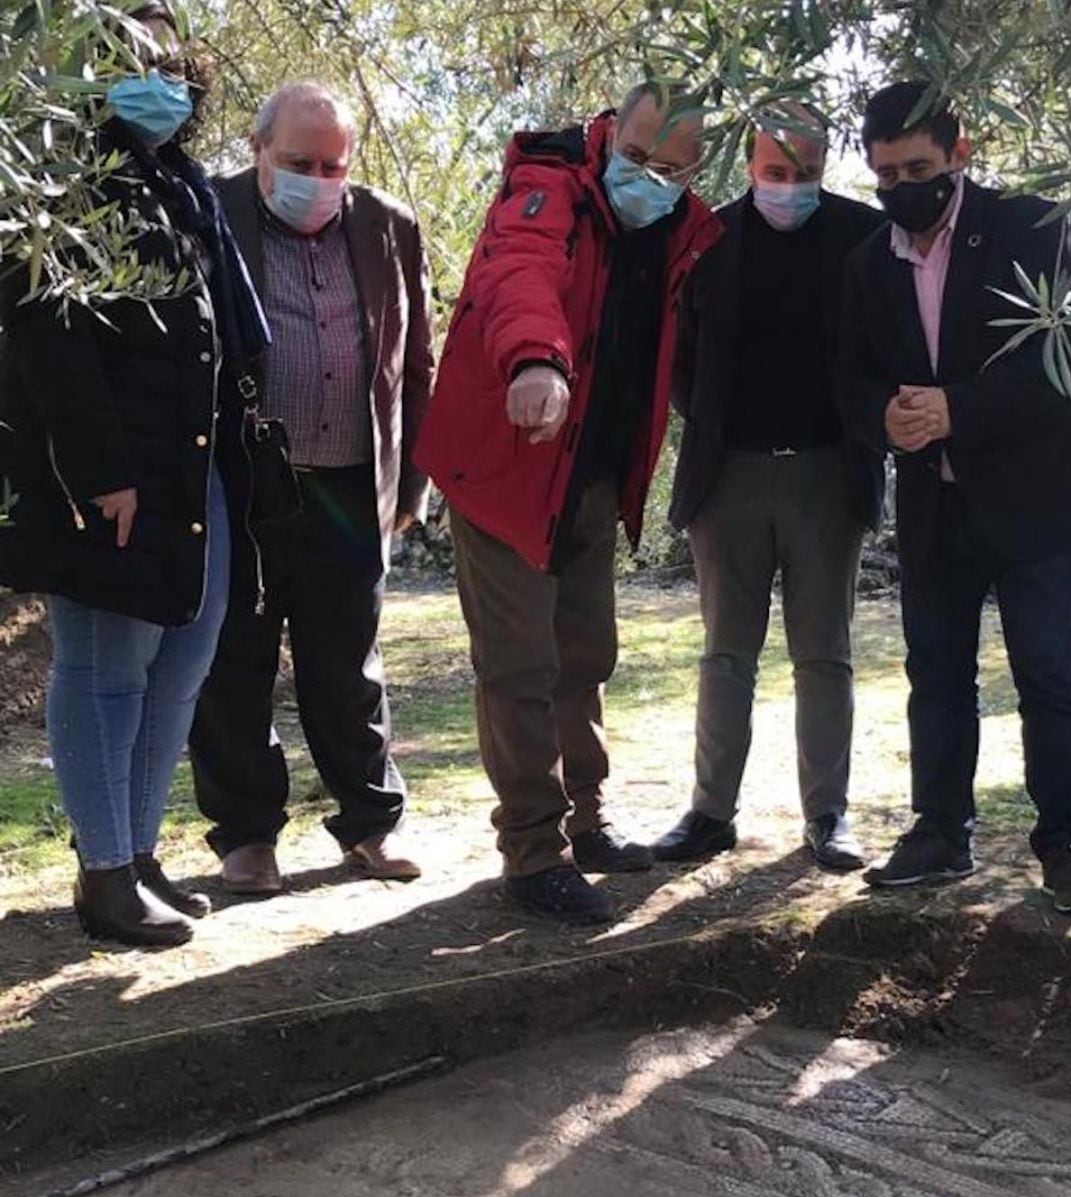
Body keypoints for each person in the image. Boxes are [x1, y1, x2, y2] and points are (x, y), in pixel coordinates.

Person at [414, 83, 722, 925]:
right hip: (509, 465)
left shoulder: (683, 228)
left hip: (589, 472)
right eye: (636, 156)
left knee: (585, 654)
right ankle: (533, 851)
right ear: (609, 132)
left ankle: (586, 819)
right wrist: (535, 360)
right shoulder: (546, 184)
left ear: (695, 170)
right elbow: (519, 270)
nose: (649, 178)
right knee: (519, 665)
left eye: (671, 168)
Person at [0, 3, 270, 946]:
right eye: (129, 57)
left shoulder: (176, 179)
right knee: (105, 668)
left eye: (166, 58)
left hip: (197, 466)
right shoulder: (59, 179)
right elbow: (48, 337)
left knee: (179, 667)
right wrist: (100, 470)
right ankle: (103, 873)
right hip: (111, 473)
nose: (157, 77)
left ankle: (138, 852)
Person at [187, 81, 435, 895]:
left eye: (333, 165)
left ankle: (369, 823)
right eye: (299, 162)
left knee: (348, 663)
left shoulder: (388, 226)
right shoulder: (209, 212)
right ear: (259, 152)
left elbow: (416, 361)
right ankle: (247, 835)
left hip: (350, 481)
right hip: (244, 484)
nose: (318, 179)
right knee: (236, 664)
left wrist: (414, 485)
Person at [838, 81, 1071, 913]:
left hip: (1036, 505)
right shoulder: (868, 262)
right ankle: (941, 830)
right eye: (884, 175)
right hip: (935, 511)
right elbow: (850, 381)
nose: (903, 188)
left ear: (960, 154)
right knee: (935, 675)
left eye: (919, 168)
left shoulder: (1035, 230)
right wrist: (883, 418)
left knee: (1049, 674)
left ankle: (1068, 839)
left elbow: (1063, 360)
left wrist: (956, 410)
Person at [657, 107, 883, 871]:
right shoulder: (711, 240)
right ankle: (710, 813)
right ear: (751, 167)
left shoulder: (862, 235)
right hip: (729, 478)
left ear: (827, 168)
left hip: (828, 473)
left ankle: (828, 815)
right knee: (727, 655)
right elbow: (680, 358)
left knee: (825, 655)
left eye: (805, 175)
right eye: (774, 174)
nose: (789, 188)